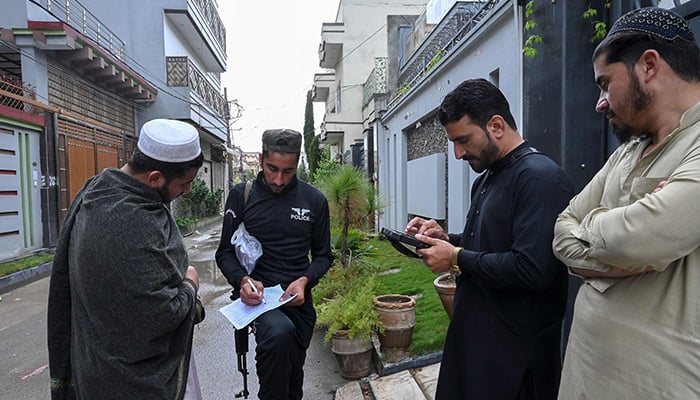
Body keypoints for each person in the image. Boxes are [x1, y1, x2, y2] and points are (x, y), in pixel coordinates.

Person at [553, 7, 700, 399]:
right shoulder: (626, 152)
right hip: (583, 376)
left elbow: (637, 240)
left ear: (648, 66)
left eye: (605, 84)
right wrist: (621, 240)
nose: (600, 102)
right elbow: (560, 232)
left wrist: (597, 225)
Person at [406, 78, 575, 399]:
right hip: (479, 346)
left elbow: (531, 269)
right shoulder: (488, 178)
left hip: (516, 363)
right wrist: (447, 239)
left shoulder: (540, 178)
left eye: (463, 140)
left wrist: (455, 256)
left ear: (496, 125)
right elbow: (490, 247)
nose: (458, 154)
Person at [47, 119, 205, 399]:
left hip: (95, 366)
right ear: (155, 178)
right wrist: (190, 284)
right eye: (185, 183)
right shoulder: (131, 220)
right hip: (131, 381)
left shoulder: (97, 190)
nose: (188, 190)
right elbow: (159, 315)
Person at [215, 128, 333, 400]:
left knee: (292, 377)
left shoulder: (314, 201)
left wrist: (305, 281)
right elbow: (224, 253)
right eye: (272, 169)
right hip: (259, 301)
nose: (279, 179)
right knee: (279, 336)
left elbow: (324, 255)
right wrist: (242, 280)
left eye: (288, 171)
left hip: (298, 301)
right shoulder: (241, 195)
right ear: (261, 158)